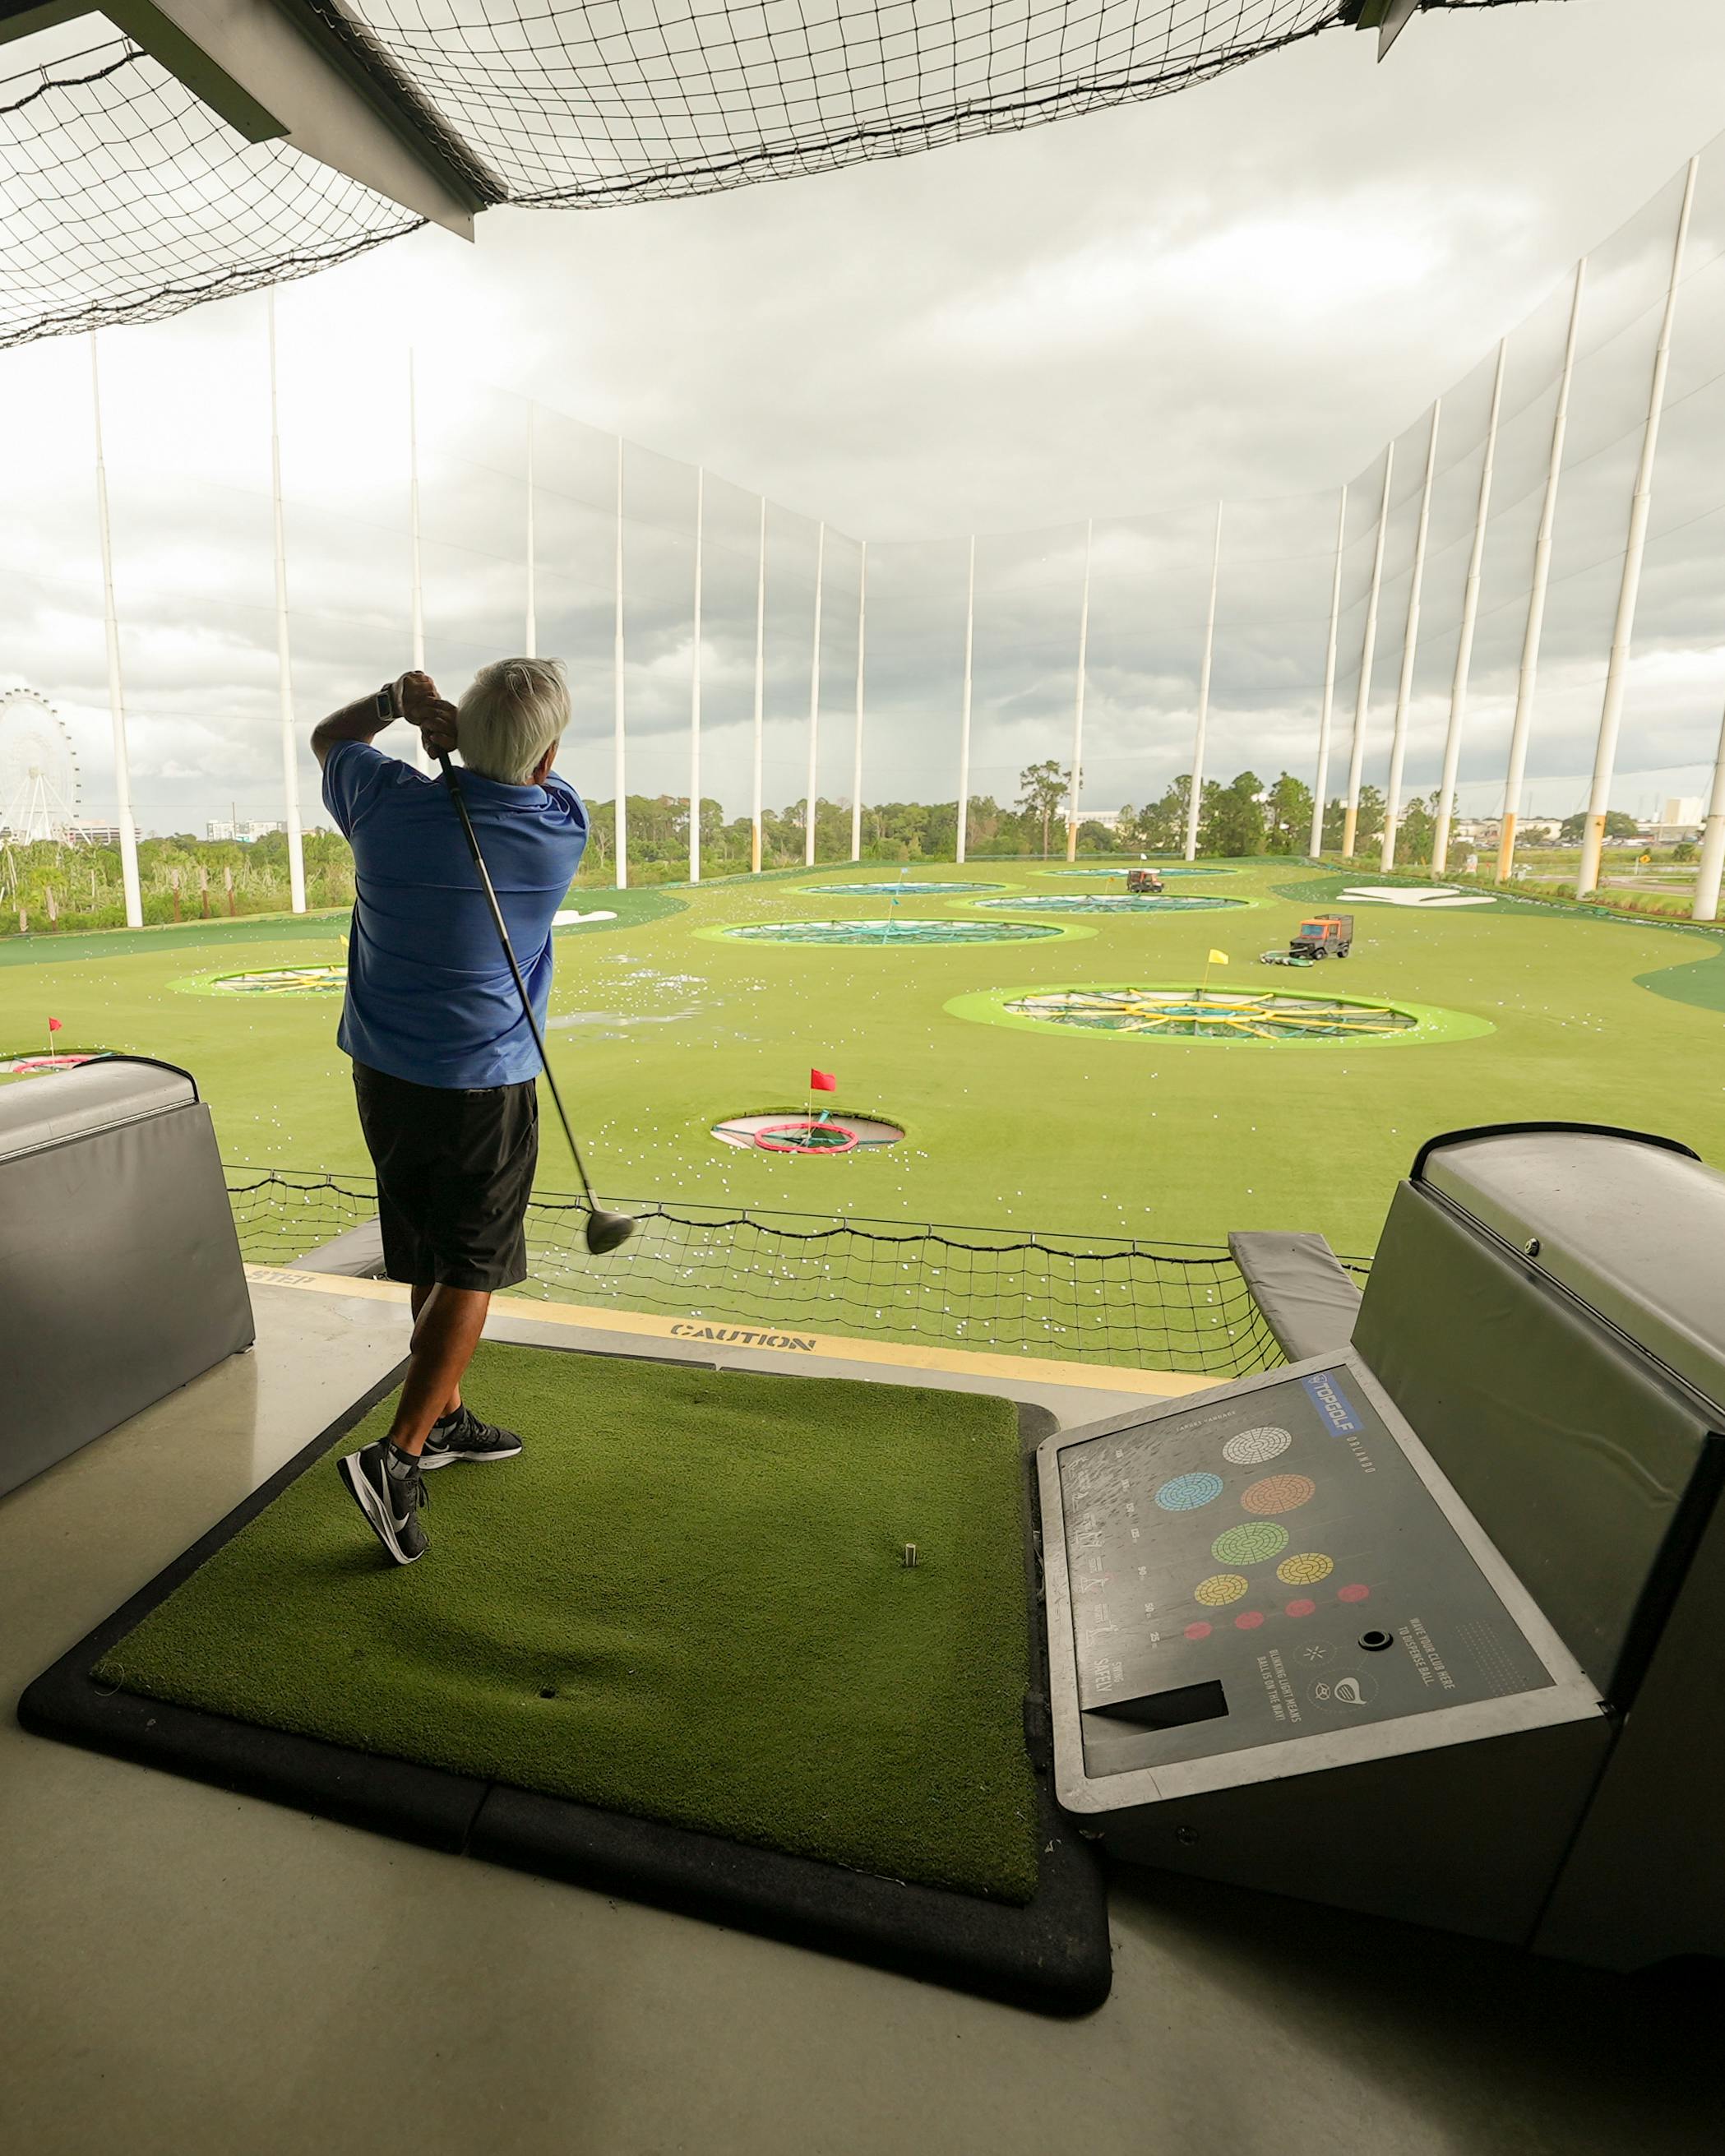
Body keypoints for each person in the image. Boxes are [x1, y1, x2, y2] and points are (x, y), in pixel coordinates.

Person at [312, 659, 588, 1565]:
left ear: (457, 730)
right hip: (483, 1082)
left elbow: (331, 741)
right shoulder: (558, 829)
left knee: (429, 1244)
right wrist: (466, 743)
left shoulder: (383, 802)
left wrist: (402, 708)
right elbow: (530, 778)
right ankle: (395, 1457)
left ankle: (445, 1414)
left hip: (384, 1073)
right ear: (547, 758)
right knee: (469, 1265)